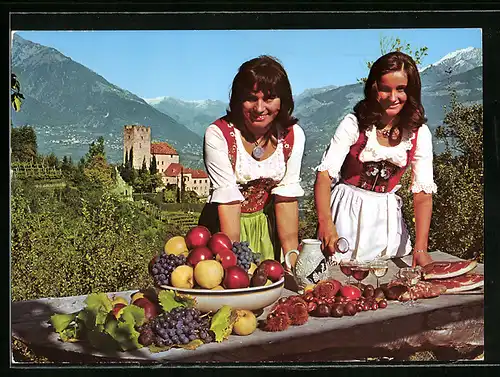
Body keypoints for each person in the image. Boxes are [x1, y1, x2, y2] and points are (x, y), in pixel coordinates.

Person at [314, 51, 437, 267]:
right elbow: (324, 175)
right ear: (374, 89)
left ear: (412, 91)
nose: (393, 97)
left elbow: (423, 194)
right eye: (385, 89)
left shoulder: (419, 133)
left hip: (387, 220)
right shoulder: (354, 124)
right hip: (346, 213)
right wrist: (326, 223)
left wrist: (421, 248)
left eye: (401, 89)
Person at [199, 55, 305, 270]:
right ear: (238, 100)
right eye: (251, 98)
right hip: (224, 231)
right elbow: (228, 204)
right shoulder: (219, 134)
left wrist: (293, 261)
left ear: (283, 100)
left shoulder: (293, 136)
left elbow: (286, 200)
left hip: (268, 229)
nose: (259, 108)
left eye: (269, 98)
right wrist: (233, 267)